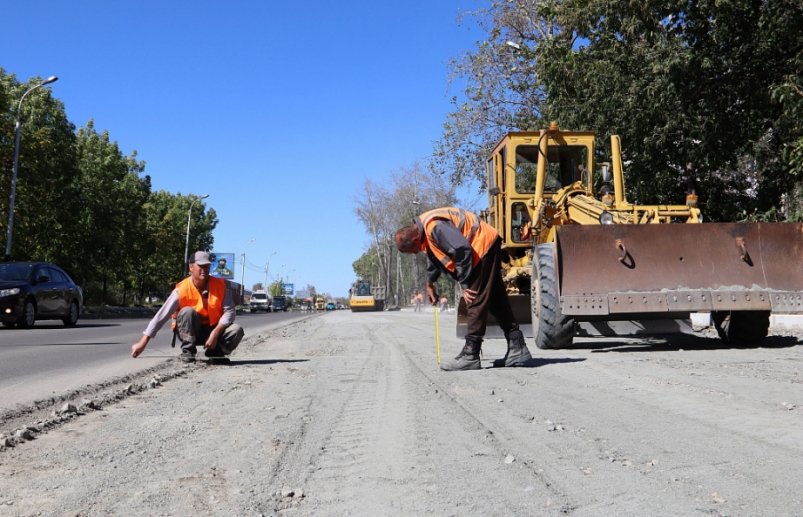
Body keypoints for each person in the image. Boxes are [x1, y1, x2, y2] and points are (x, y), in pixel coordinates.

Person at [394, 207, 532, 371]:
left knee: (473, 298)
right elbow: (434, 256)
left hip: (481, 246)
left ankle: (471, 355)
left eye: (413, 251)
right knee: (496, 299)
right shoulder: (425, 230)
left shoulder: (434, 227)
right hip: (486, 244)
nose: (415, 254)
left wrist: (465, 284)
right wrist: (430, 283)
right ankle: (517, 346)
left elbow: (462, 249)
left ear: (416, 239)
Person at [131, 251, 244, 363]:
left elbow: (230, 312)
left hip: (213, 331)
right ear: (191, 267)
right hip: (191, 332)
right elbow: (161, 316)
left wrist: (215, 333)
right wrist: (143, 343)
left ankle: (215, 353)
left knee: (236, 330)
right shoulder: (181, 289)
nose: (204, 269)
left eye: (207, 266)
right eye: (201, 266)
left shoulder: (220, 285)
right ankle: (188, 351)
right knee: (187, 312)